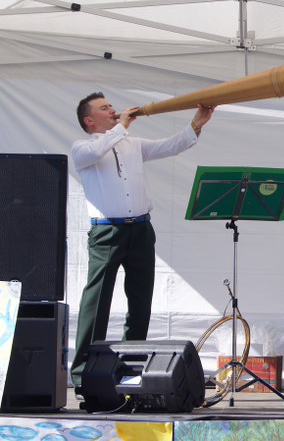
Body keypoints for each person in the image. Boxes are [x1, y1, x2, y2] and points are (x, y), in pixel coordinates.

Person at [70, 92, 214, 393]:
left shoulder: (131, 144)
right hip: (107, 232)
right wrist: (122, 125)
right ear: (89, 120)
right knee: (97, 300)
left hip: (140, 229)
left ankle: (130, 367)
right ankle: (83, 373)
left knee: (140, 300)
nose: (112, 109)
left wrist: (196, 124)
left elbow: (170, 146)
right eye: (104, 108)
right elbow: (97, 151)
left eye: (111, 105)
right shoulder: (82, 148)